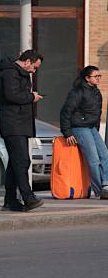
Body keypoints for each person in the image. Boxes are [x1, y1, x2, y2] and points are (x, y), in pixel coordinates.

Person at [0, 49, 45, 212]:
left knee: (15, 163)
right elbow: (11, 96)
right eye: (34, 67)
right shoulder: (10, 73)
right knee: (22, 161)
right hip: (13, 124)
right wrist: (31, 97)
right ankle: (28, 197)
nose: (34, 71)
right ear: (27, 62)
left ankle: (10, 200)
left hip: (20, 124)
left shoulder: (18, 73)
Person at [60, 66, 108, 199]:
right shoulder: (77, 92)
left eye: (100, 76)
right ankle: (100, 192)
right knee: (94, 160)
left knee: (105, 155)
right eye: (96, 76)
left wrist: (96, 129)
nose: (98, 78)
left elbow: (97, 113)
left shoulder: (96, 92)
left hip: (92, 127)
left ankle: (106, 185)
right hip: (79, 127)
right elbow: (66, 112)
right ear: (87, 78)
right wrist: (67, 133)